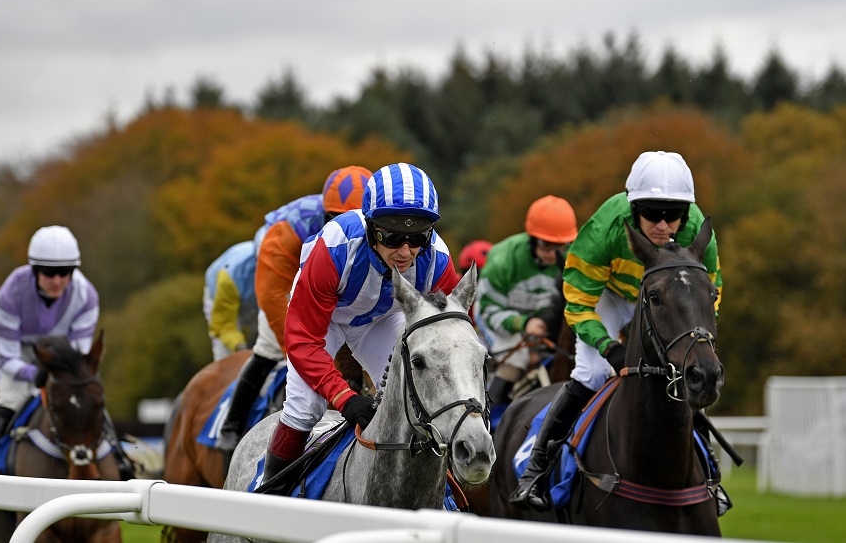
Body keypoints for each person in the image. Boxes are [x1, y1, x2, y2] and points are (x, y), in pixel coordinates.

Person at [510, 150, 723, 510]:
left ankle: (710, 473)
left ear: (686, 213)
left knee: (686, 371)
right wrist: (608, 347)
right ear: (632, 206)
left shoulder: (698, 230)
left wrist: (694, 341)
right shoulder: (604, 229)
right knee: (591, 372)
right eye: (651, 214)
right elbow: (577, 301)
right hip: (608, 296)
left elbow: (709, 293)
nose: (663, 225)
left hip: (664, 300)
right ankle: (536, 468)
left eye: (673, 215)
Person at [259, 163, 460, 493]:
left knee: (421, 396)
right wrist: (343, 396)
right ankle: (271, 497)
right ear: (370, 226)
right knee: (304, 408)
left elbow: (454, 335)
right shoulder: (333, 250)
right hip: (326, 320)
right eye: (393, 236)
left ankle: (440, 490)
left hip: (381, 319)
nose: (406, 251)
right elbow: (303, 339)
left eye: (417, 237)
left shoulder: (437, 259)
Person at [215, 165, 373, 451]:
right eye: (340, 219)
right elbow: (273, 299)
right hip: (283, 268)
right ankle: (232, 424)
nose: (352, 229)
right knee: (271, 345)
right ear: (327, 216)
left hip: (333, 268)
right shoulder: (286, 234)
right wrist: (305, 355)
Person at [0, 226, 101, 477]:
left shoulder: (86, 295)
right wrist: (34, 375)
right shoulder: (10, 294)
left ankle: (120, 461)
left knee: (86, 398)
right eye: (49, 273)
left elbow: (79, 353)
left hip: (59, 352)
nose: (57, 281)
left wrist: (62, 376)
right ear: (34, 270)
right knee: (10, 397)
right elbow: (6, 358)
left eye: (65, 272)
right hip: (15, 349)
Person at [476, 196, 578, 409]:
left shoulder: (572, 260)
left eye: (560, 247)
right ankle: (490, 419)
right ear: (532, 239)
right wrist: (524, 324)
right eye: (546, 245)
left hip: (541, 325)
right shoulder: (503, 260)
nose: (553, 255)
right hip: (496, 317)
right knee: (517, 359)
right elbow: (488, 311)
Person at [203, 227, 265, 361]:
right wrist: (240, 349)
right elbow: (224, 326)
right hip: (225, 299)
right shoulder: (230, 277)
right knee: (226, 356)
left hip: (254, 300)